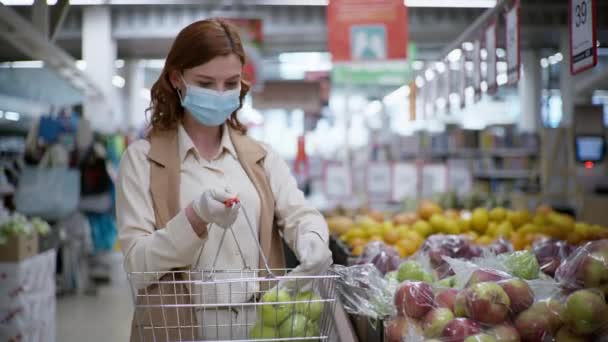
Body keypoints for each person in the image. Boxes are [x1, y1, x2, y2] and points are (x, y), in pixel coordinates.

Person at [116, 18, 332, 341]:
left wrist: (312, 237)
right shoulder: (142, 161)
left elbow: (299, 213)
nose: (219, 93)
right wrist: (194, 218)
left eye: (230, 84)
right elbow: (137, 263)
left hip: (264, 328)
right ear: (177, 79)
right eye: (205, 83)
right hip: (177, 329)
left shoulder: (261, 157)